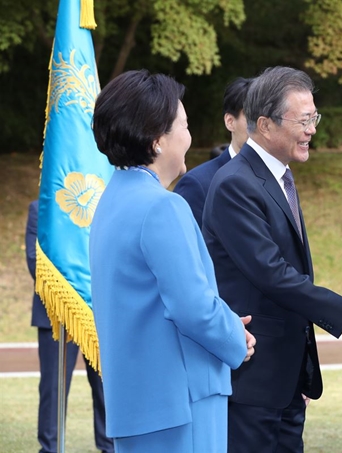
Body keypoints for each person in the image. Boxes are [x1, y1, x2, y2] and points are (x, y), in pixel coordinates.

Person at [201, 66, 342, 452]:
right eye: (304, 120)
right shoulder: (237, 183)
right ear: (266, 124)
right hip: (253, 380)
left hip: (285, 380)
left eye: (314, 118)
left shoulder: (278, 176)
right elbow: (274, 275)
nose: (312, 129)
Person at [89, 69, 255, 453]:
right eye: (184, 124)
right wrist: (235, 335)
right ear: (157, 139)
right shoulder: (163, 207)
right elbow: (193, 307)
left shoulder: (110, 203)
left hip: (137, 405)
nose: (189, 136)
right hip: (181, 404)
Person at [25, 200, 113, 453]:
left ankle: (110, 447)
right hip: (55, 314)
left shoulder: (100, 206)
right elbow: (35, 260)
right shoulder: (39, 210)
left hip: (97, 311)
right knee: (53, 388)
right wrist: (68, 300)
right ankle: (50, 448)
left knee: (105, 386)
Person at [174, 77, 254, 228]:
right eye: (252, 119)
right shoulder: (198, 185)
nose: (262, 127)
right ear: (230, 121)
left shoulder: (280, 179)